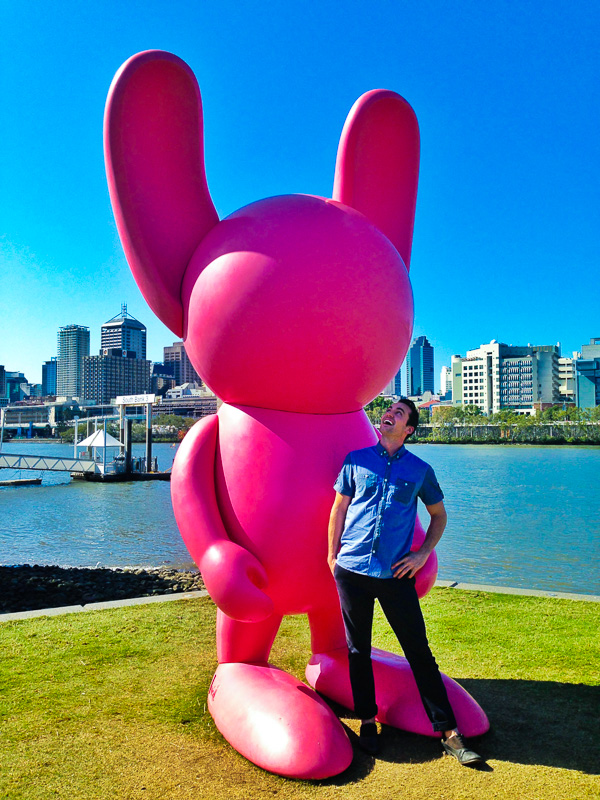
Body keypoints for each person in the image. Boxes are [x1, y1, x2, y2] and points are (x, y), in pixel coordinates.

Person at [328, 398, 482, 765]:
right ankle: (368, 721)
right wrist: (332, 557)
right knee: (356, 650)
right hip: (351, 571)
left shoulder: (420, 470)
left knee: (419, 652)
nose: (389, 414)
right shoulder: (356, 460)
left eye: (399, 413)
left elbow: (439, 516)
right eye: (389, 410)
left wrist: (422, 554)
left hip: (395, 575)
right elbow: (339, 508)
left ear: (409, 429)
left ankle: (448, 732)